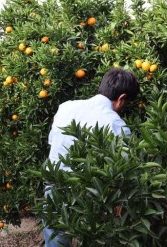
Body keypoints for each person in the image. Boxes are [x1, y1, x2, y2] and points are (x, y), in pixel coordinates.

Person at [43, 67, 140, 247]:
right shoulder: (114, 122)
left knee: (55, 240)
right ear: (122, 98)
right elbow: (124, 168)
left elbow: (53, 144)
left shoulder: (65, 107)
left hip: (54, 183)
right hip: (88, 192)